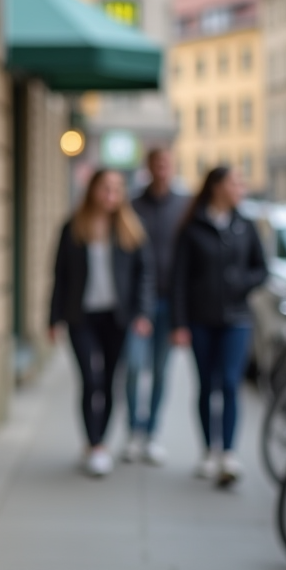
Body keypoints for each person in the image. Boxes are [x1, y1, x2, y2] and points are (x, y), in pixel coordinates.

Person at [49, 169, 154, 477]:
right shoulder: (73, 228)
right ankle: (92, 442)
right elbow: (60, 276)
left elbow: (144, 275)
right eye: (106, 188)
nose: (111, 194)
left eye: (117, 188)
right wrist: (52, 318)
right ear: (93, 190)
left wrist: (143, 314)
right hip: (81, 315)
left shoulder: (130, 229)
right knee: (90, 380)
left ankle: (101, 444)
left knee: (110, 381)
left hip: (117, 316)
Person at [171, 166, 267, 488]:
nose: (240, 187)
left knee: (229, 383)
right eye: (234, 182)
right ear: (216, 187)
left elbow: (262, 269)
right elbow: (179, 279)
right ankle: (207, 451)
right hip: (200, 319)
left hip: (236, 319)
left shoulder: (245, 225)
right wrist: (179, 323)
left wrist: (241, 282)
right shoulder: (193, 227)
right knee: (206, 385)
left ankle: (227, 452)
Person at [124, 147, 188, 465]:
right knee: (134, 368)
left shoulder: (183, 206)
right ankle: (134, 431)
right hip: (138, 303)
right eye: (156, 163)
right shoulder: (133, 205)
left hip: (170, 303)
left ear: (172, 167)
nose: (161, 168)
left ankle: (152, 433)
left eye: (166, 163)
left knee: (161, 372)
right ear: (148, 167)